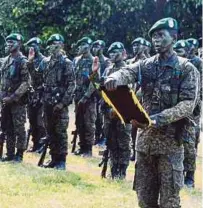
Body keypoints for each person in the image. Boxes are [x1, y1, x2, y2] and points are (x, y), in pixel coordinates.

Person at [104, 18, 199, 207]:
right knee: (144, 200)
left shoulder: (186, 68)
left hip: (170, 145)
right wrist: (114, 77)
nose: (156, 40)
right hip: (145, 144)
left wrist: (156, 119)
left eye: (161, 36)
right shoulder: (146, 65)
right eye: (154, 36)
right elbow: (127, 72)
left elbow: (188, 104)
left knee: (169, 201)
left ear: (173, 37)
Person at [40, 34, 75, 170]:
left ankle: (61, 160)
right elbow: (38, 78)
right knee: (50, 131)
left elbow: (72, 84)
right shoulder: (46, 62)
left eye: (56, 44)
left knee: (60, 131)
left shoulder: (66, 63)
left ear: (61, 45)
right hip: (47, 102)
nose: (53, 47)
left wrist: (62, 103)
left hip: (60, 103)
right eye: (51, 44)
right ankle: (53, 158)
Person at [103, 42, 132, 179]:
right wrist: (93, 75)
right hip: (109, 111)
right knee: (112, 140)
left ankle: (122, 170)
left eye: (116, 52)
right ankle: (113, 168)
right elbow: (102, 87)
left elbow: (130, 92)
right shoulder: (108, 69)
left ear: (123, 53)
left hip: (123, 112)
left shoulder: (128, 69)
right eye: (111, 52)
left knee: (123, 142)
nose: (113, 55)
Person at [0, 33, 30, 162]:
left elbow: (26, 82)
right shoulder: (5, 60)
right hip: (5, 100)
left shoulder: (23, 61)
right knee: (8, 127)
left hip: (17, 101)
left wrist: (13, 97)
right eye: (8, 42)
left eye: (12, 42)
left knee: (19, 128)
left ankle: (19, 154)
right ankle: (10, 153)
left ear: (19, 44)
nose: (9, 45)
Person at [174, 39, 199, 188]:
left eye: (180, 51)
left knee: (189, 143)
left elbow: (198, 87)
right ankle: (178, 172)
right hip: (174, 108)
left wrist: (194, 107)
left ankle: (190, 176)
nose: (178, 54)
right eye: (176, 51)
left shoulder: (194, 65)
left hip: (191, 109)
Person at [73, 37, 98, 157]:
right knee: (79, 123)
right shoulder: (77, 60)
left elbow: (95, 82)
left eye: (82, 45)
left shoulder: (94, 61)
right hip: (77, 96)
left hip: (89, 98)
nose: (80, 47)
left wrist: (86, 96)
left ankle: (88, 148)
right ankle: (81, 145)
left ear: (88, 46)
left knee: (89, 123)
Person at [25, 37, 46, 152]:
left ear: (39, 46)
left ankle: (42, 145)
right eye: (30, 46)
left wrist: (31, 63)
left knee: (40, 122)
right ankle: (35, 144)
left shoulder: (44, 60)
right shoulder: (29, 60)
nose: (33, 48)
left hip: (41, 94)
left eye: (35, 45)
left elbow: (37, 77)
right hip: (31, 95)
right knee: (32, 121)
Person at [92, 40, 110, 146]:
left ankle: (103, 136)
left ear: (102, 48)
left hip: (102, 91)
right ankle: (97, 135)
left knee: (102, 115)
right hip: (94, 90)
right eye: (94, 47)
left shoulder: (107, 61)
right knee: (95, 117)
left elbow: (104, 79)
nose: (95, 49)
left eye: (98, 47)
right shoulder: (93, 60)